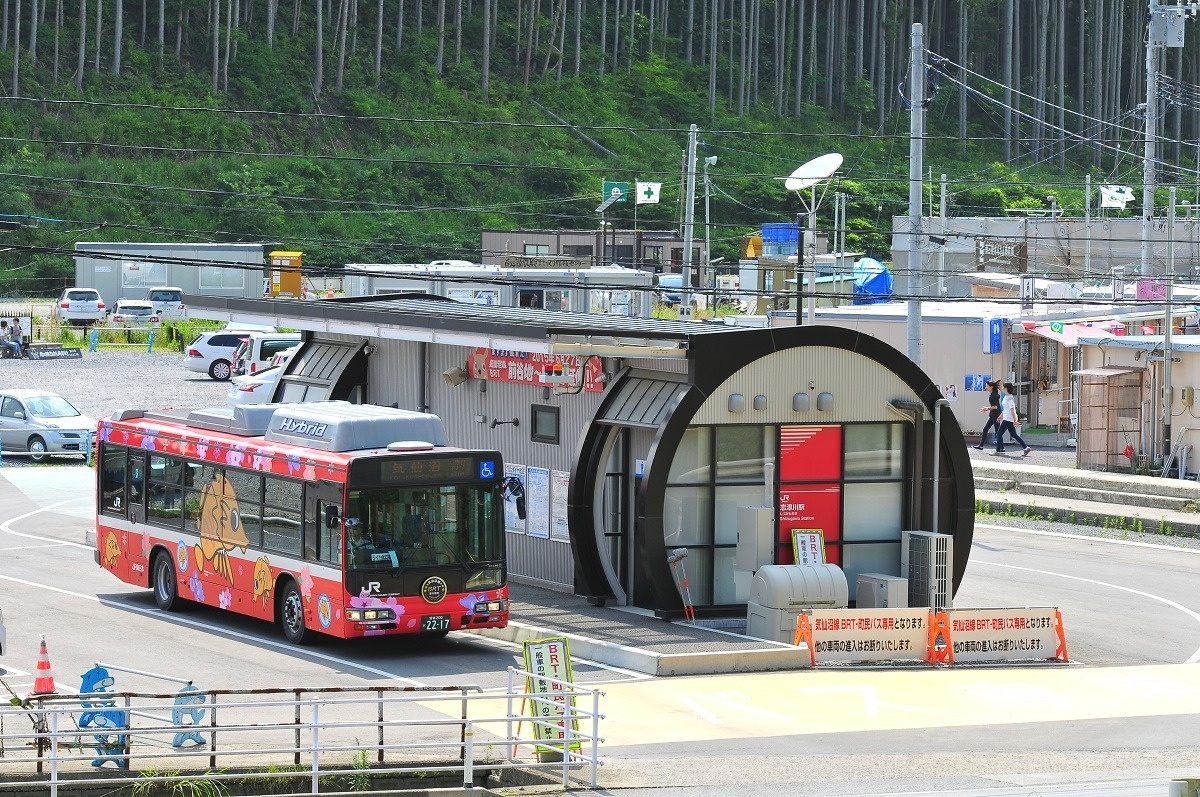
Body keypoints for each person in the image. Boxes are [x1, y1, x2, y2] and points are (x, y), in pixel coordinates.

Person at [993, 382, 1032, 457]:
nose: (1002, 388)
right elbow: (1005, 409)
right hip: (1007, 418)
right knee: (1014, 434)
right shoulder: (1006, 396)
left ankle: (999, 450)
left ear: (1006, 388)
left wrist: (1015, 420)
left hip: (1008, 419)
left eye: (1003, 387)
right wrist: (1000, 416)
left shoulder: (1009, 398)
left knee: (999, 433)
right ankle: (1026, 448)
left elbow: (1013, 410)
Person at [973, 380, 1002, 450]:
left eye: (987, 386)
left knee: (998, 431)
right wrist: (987, 409)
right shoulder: (992, 394)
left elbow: (995, 406)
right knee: (985, 429)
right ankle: (981, 445)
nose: (986, 387)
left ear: (991, 387)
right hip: (993, 415)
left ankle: (1001, 448)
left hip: (996, 415)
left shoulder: (994, 395)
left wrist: (987, 408)